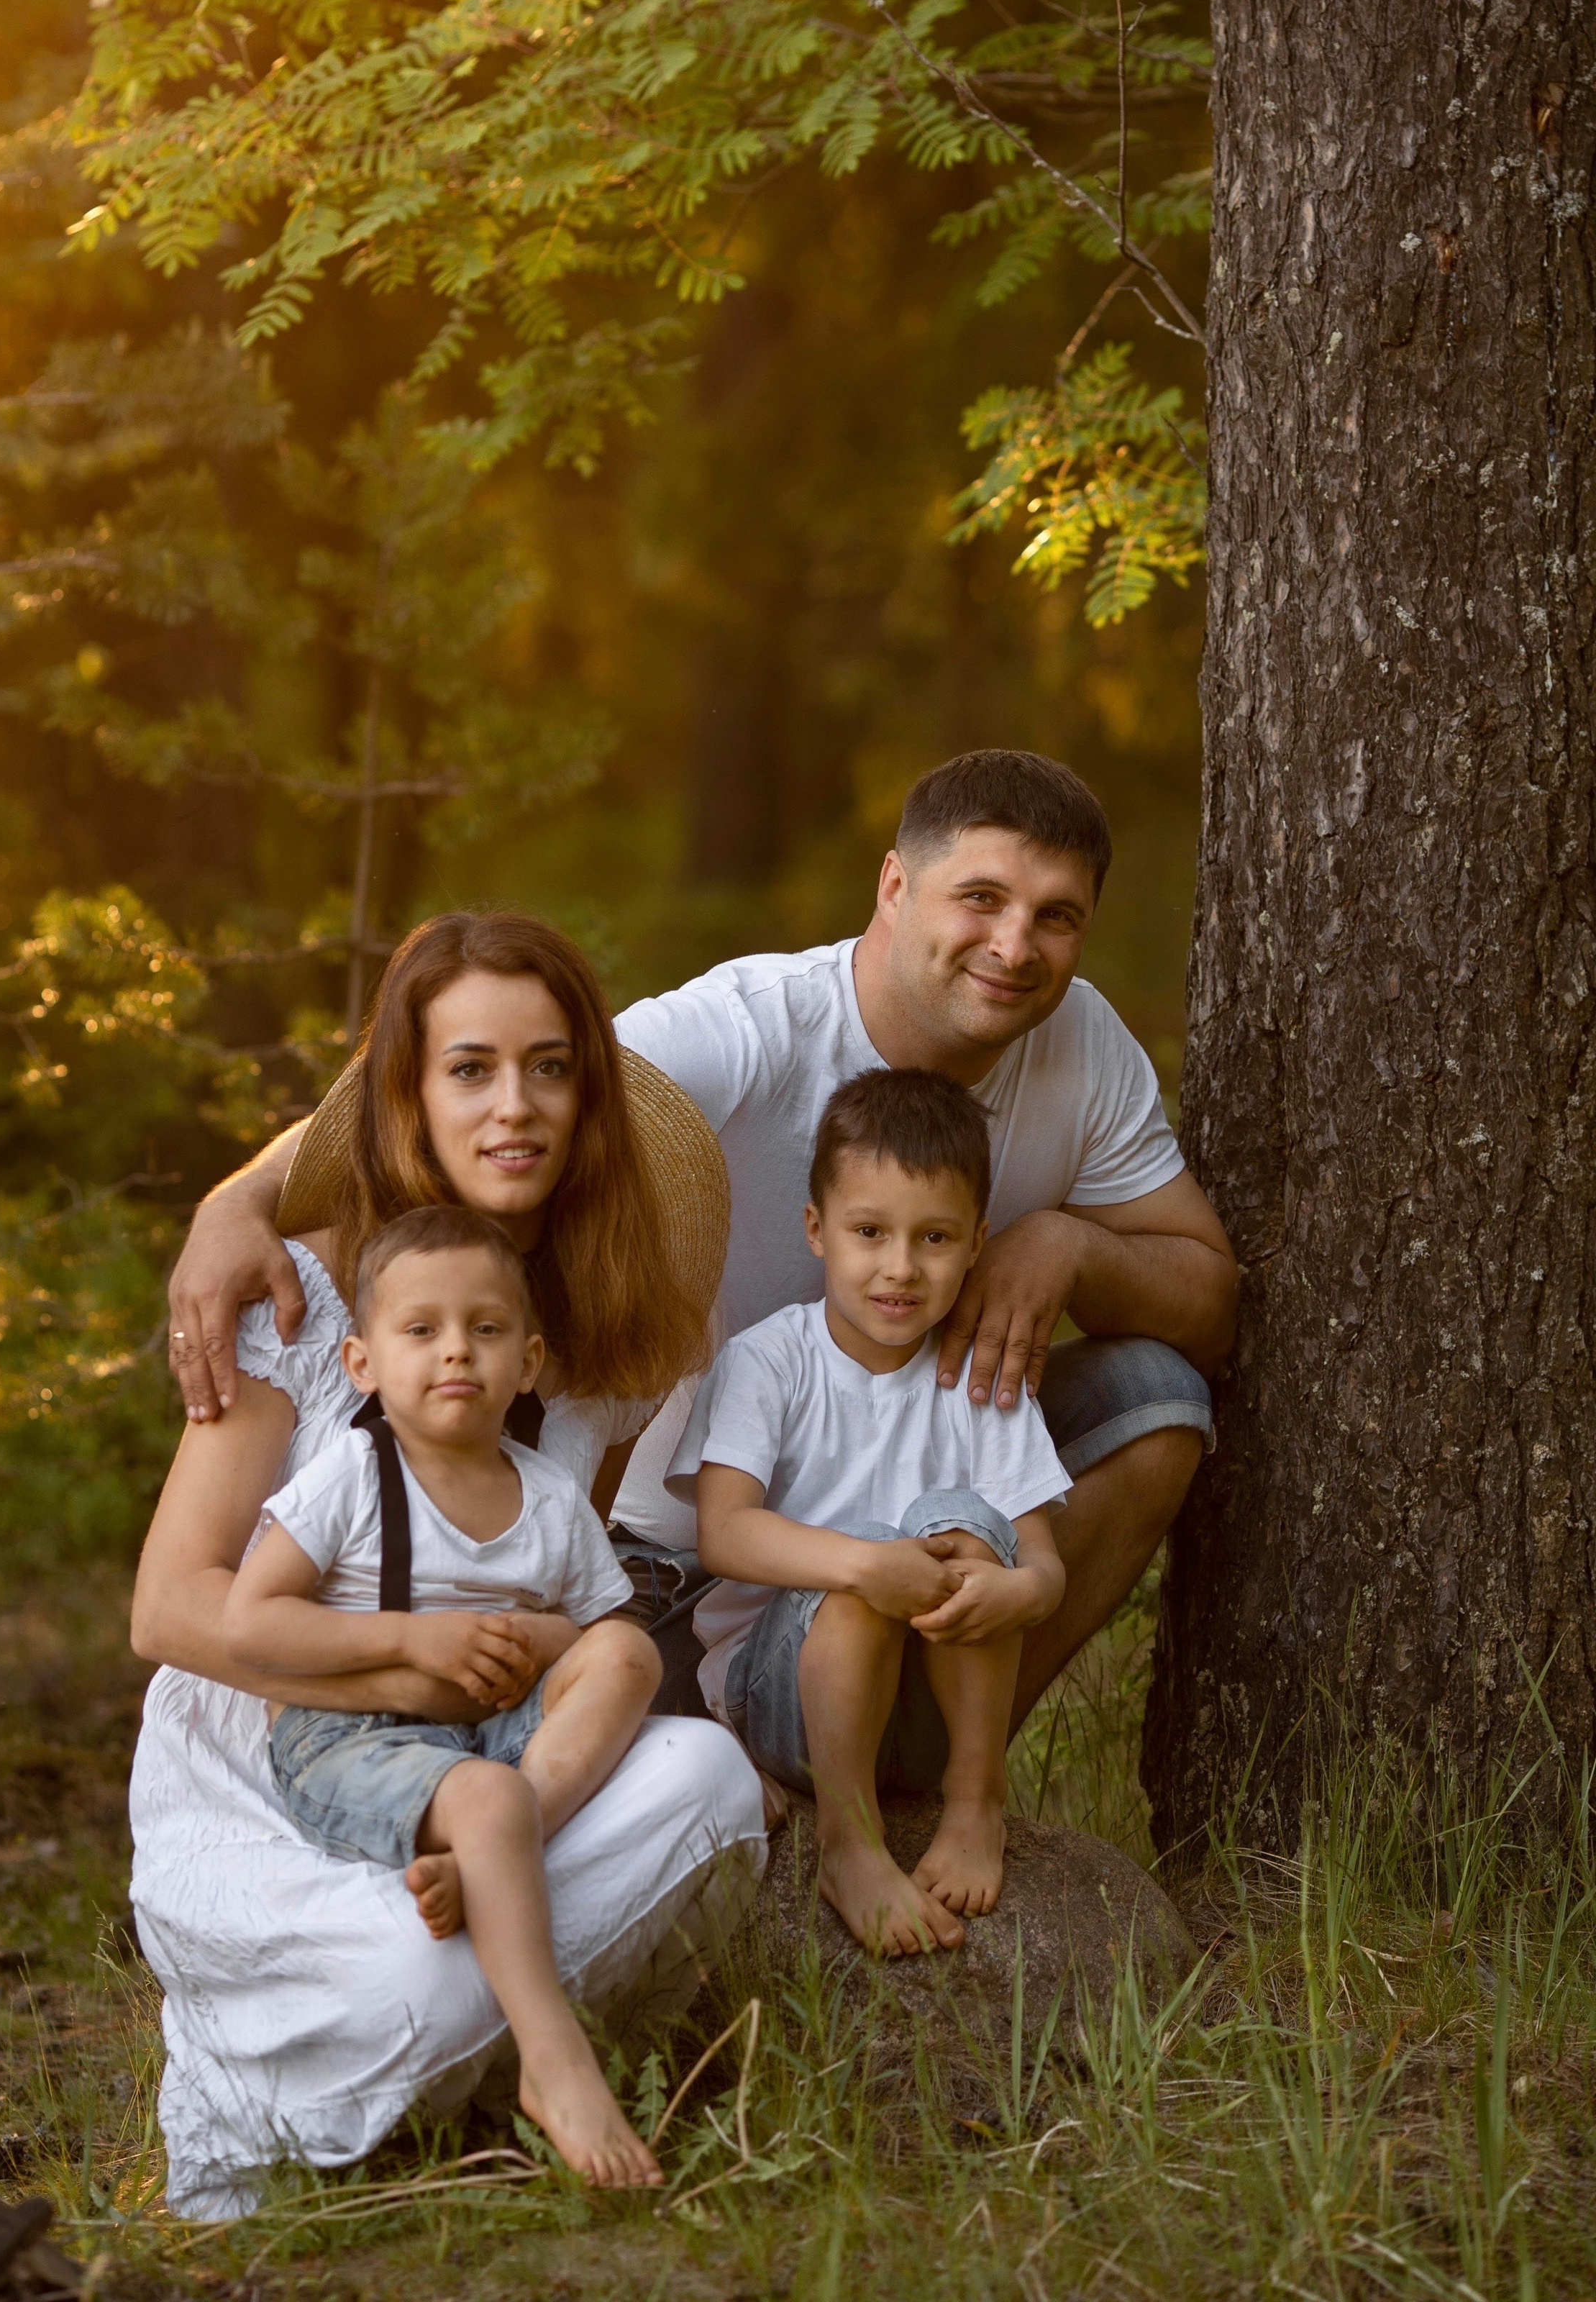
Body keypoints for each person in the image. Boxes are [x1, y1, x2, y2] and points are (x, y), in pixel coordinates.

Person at [164, 751, 1238, 1732]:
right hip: (685, 1540)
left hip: (914, 1468)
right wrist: (242, 1201)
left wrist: (1072, 1247)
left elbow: (1211, 1301)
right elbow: (501, 1089)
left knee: (1155, 1396)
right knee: (644, 1722)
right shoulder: (751, 1029)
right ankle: (803, 1749)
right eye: (982, 899)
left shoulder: (1080, 1041)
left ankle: (940, 1764)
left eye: (1056, 918)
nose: (1014, 947)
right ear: (896, 889)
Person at [128, 911, 763, 2220]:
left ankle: (489, 1939)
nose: (512, 1106)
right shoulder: (303, 1307)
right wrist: (406, 1648)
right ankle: (424, 2055)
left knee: (708, 1776)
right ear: (411, 1097)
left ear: (591, 1098)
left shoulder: (585, 1348)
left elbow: (551, 1594)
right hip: (278, 1758)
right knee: (416, 1983)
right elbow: (169, 1606)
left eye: (549, 1068)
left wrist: (547, 1656)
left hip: (482, 1761)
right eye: (468, 1069)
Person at [225, 1206, 665, 2188]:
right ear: (363, 1362)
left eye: (486, 1329)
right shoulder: (355, 1475)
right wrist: (408, 1636)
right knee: (484, 1793)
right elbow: (251, 1620)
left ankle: (496, 1847)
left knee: (632, 1655)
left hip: (487, 1728)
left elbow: (594, 1639)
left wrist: (538, 1643)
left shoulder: (548, 1495)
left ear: (529, 1360)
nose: (455, 1352)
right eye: (421, 1330)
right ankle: (555, 2062)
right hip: (347, 1737)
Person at [670, 1070, 1070, 1957]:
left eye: (933, 1238)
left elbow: (1041, 1561)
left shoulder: (979, 1374)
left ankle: (973, 1799)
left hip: (922, 1710)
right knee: (873, 1562)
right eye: (869, 1233)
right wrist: (866, 1566)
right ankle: (848, 1846)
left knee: (964, 1522)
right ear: (817, 1231)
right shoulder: (770, 1361)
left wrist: (1021, 1592)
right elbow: (724, 1532)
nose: (899, 1267)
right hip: (783, 1708)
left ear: (976, 1245)